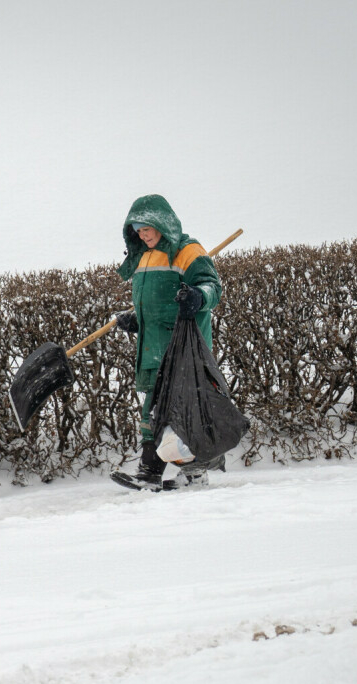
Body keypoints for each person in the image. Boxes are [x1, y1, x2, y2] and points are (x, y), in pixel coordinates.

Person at [113, 194, 223, 491]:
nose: (142, 234)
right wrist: (137, 321)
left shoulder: (186, 250)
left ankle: (172, 472)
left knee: (174, 412)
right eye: (137, 229)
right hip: (151, 349)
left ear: (161, 222)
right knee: (154, 412)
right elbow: (153, 305)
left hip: (181, 348)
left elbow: (211, 286)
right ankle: (167, 473)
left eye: (146, 227)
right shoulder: (144, 257)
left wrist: (198, 297)